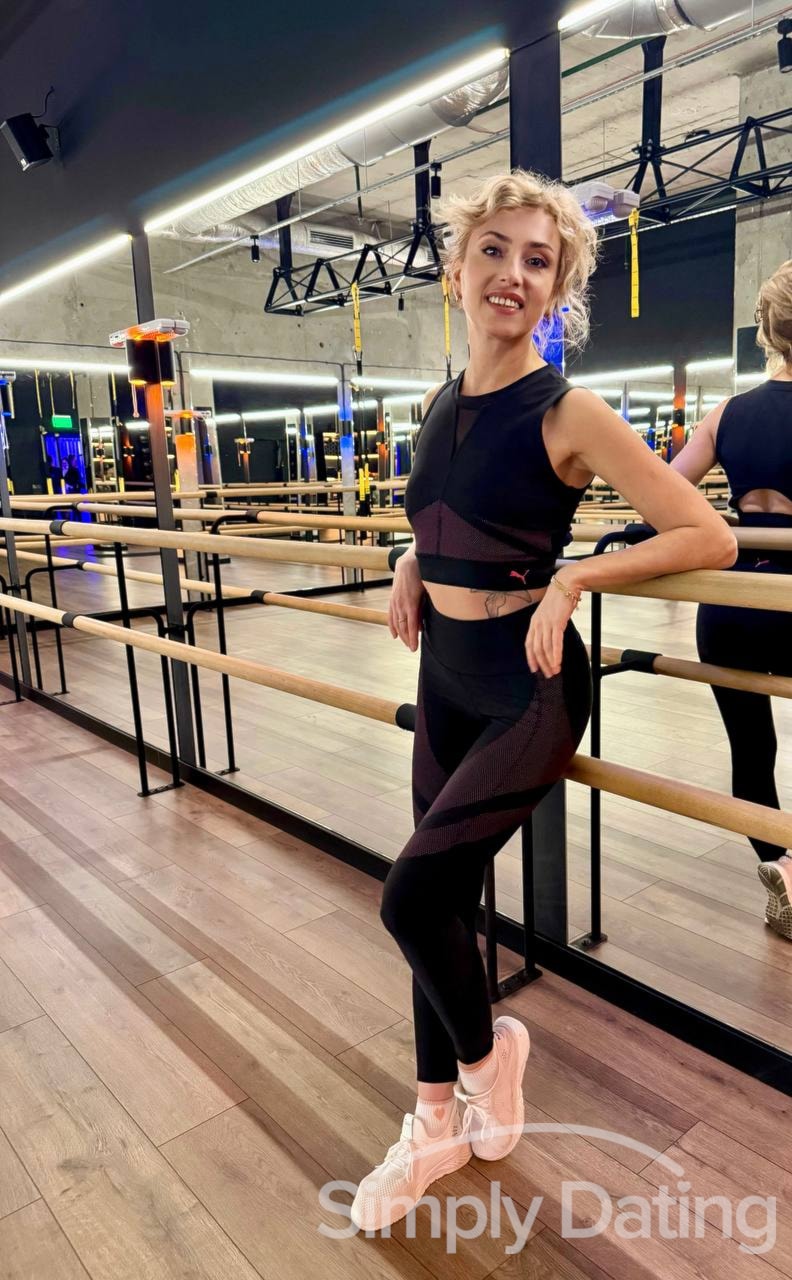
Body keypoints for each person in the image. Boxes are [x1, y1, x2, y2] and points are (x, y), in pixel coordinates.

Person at [349, 169, 737, 1234]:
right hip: (444, 675)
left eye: (539, 261)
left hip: (529, 688)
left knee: (409, 900)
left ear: (558, 289)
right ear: (457, 269)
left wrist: (575, 579)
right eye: (495, 251)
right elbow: (449, 512)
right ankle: (434, 1121)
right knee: (440, 906)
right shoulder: (442, 400)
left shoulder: (569, 410)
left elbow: (706, 534)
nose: (513, 274)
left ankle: (491, 1061)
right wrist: (412, 558)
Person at [670, 259, 792, 942]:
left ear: (768, 334)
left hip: (733, 604)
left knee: (752, 747)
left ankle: (782, 865)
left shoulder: (728, 413)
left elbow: (664, 494)